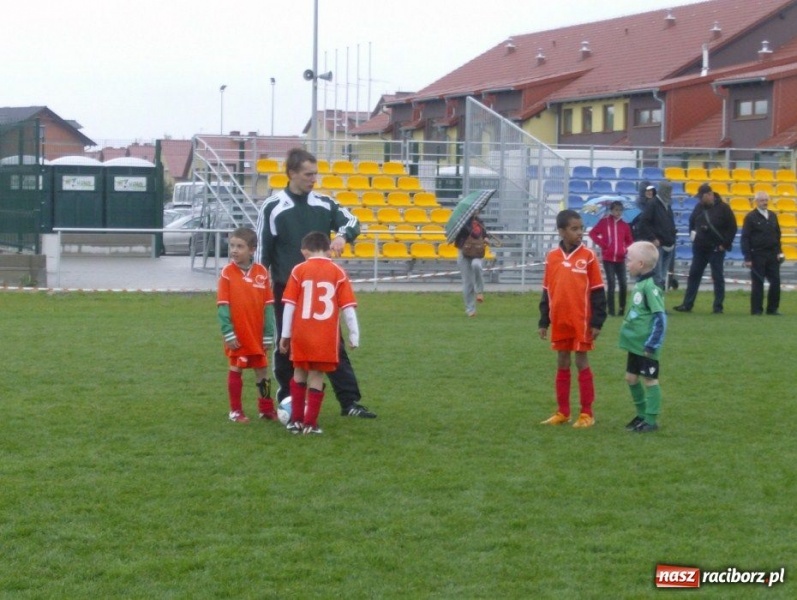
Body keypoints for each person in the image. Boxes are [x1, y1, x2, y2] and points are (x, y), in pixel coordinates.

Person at [256, 148, 376, 418]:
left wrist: (343, 236)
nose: (314, 179)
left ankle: (350, 403)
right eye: (308, 174)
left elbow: (352, 221)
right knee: (285, 343)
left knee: (334, 344)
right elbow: (262, 253)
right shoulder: (274, 207)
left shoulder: (324, 203)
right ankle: (288, 398)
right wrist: (258, 288)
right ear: (292, 174)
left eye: (315, 174)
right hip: (286, 289)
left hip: (321, 290)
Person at [279, 232, 360, 435]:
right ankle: (310, 424)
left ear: (304, 251)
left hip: (302, 334)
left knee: (299, 373)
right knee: (317, 375)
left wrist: (285, 335)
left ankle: (295, 422)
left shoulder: (299, 269)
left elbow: (289, 304)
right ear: (327, 249)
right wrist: (354, 334)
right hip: (325, 336)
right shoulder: (338, 271)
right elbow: (348, 307)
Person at [539, 209, 607, 428]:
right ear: (561, 231)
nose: (579, 233)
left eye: (581, 229)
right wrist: (543, 321)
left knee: (581, 360)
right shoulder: (552, 257)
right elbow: (546, 291)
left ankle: (587, 413)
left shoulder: (588, 257)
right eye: (574, 229)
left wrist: (597, 321)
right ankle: (563, 412)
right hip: (560, 319)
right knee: (562, 361)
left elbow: (598, 291)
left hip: (582, 320)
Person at [217, 227, 276, 423]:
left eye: (240, 246)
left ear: (252, 250)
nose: (234, 250)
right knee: (236, 368)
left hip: (257, 335)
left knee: (262, 372)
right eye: (232, 245)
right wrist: (228, 333)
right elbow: (223, 306)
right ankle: (235, 411)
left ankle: (266, 409)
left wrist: (269, 333)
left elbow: (268, 306)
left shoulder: (261, 273)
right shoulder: (227, 273)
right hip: (238, 335)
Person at [619, 241, 667, 433]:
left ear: (640, 264)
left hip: (646, 345)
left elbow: (660, 318)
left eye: (629, 260)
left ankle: (651, 419)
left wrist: (652, 344)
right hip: (635, 344)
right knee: (631, 378)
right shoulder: (641, 283)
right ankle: (641, 414)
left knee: (650, 380)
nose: (626, 263)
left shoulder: (651, 286)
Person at [674, 183, 738, 314]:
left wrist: (724, 245)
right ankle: (687, 304)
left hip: (716, 249)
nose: (699, 200)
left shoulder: (724, 208)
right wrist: (694, 237)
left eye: (701, 197)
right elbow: (691, 223)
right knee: (694, 276)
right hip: (700, 249)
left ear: (709, 195)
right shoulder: (698, 207)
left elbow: (732, 228)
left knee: (718, 277)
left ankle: (718, 306)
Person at [741, 191, 784, 315]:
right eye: (762, 200)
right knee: (758, 283)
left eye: (766, 200)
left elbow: (777, 235)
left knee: (775, 282)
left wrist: (779, 252)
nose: (765, 202)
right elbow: (745, 238)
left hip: (772, 254)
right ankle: (756, 310)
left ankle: (772, 309)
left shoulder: (772, 215)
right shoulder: (750, 217)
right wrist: (747, 257)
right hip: (757, 254)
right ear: (756, 201)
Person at [588, 200, 633, 316]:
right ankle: (611, 311)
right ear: (611, 210)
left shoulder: (625, 225)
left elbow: (629, 241)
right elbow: (592, 233)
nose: (618, 212)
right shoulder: (604, 222)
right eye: (616, 210)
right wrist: (603, 244)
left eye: (620, 210)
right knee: (611, 284)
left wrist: (625, 249)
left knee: (623, 283)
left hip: (620, 259)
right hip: (608, 259)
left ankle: (622, 309)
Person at [635, 184, 677, 290]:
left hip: (669, 245)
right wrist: (653, 238)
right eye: (670, 192)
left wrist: (673, 235)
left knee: (662, 277)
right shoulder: (652, 204)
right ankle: (655, 304)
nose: (671, 195)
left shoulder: (667, 206)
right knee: (657, 277)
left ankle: (658, 303)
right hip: (658, 246)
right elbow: (643, 223)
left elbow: (670, 222)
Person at [454, 212, 489, 317]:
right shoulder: (461, 222)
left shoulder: (479, 221)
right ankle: (470, 310)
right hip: (463, 252)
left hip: (477, 252)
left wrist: (486, 237)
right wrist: (471, 228)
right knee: (467, 282)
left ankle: (479, 291)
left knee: (476, 265)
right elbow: (471, 234)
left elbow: (483, 234)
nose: (476, 211)